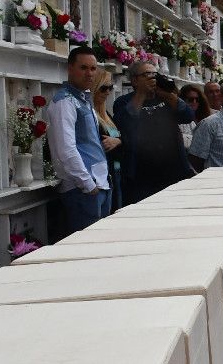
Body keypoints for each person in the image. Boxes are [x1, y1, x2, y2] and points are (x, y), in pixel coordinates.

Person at [46, 46, 111, 233]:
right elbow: (65, 148)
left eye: (93, 68)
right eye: (83, 68)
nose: (90, 74)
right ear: (70, 69)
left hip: (99, 183)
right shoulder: (65, 101)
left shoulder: (83, 99)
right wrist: (87, 184)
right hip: (82, 188)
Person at [113, 61, 195, 204]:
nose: (152, 78)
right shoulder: (123, 102)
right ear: (134, 80)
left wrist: (168, 95)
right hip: (140, 177)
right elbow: (125, 125)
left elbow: (187, 116)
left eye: (154, 74)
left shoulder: (167, 98)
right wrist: (141, 94)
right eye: (147, 75)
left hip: (173, 171)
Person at [91, 69, 123, 212]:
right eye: (104, 88)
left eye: (110, 88)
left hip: (115, 171)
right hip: (104, 172)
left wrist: (119, 141)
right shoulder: (92, 115)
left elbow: (119, 137)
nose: (108, 92)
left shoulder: (106, 115)